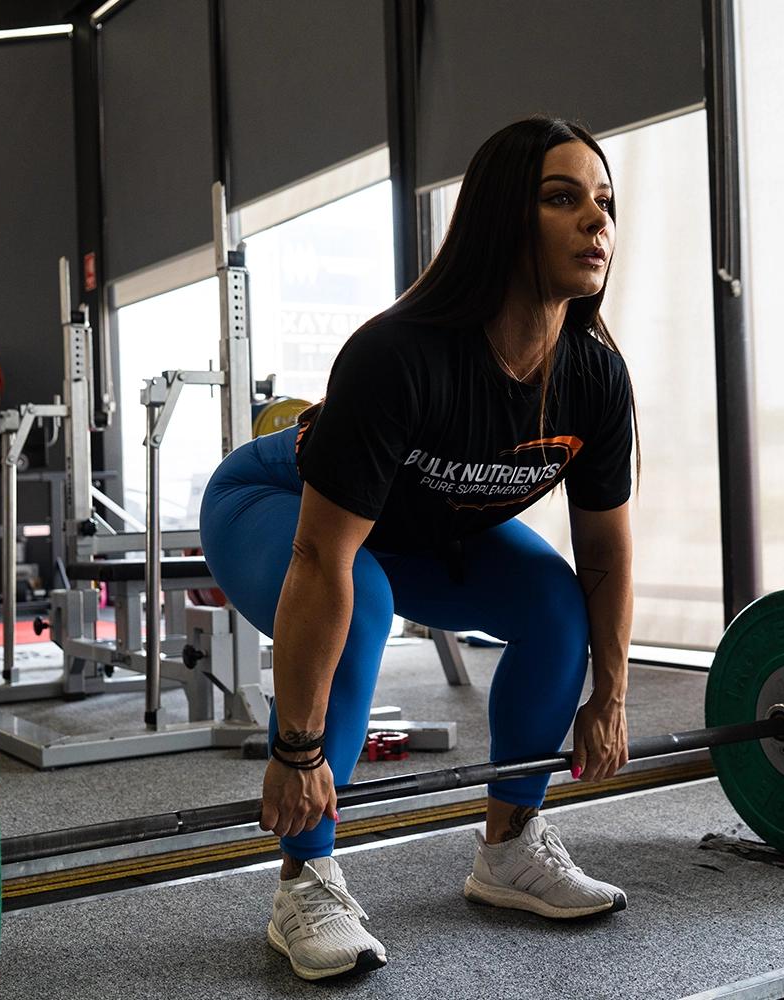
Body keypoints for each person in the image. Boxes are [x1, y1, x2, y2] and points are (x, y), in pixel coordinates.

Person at [200, 115, 637, 982]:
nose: (597, 223)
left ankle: (510, 847)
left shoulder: (593, 375)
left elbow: (606, 557)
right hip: (279, 507)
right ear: (500, 220)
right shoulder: (399, 356)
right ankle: (307, 882)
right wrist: (295, 750)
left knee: (554, 604)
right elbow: (322, 559)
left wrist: (613, 696)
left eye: (605, 203)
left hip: (429, 525)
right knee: (360, 596)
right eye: (562, 199)